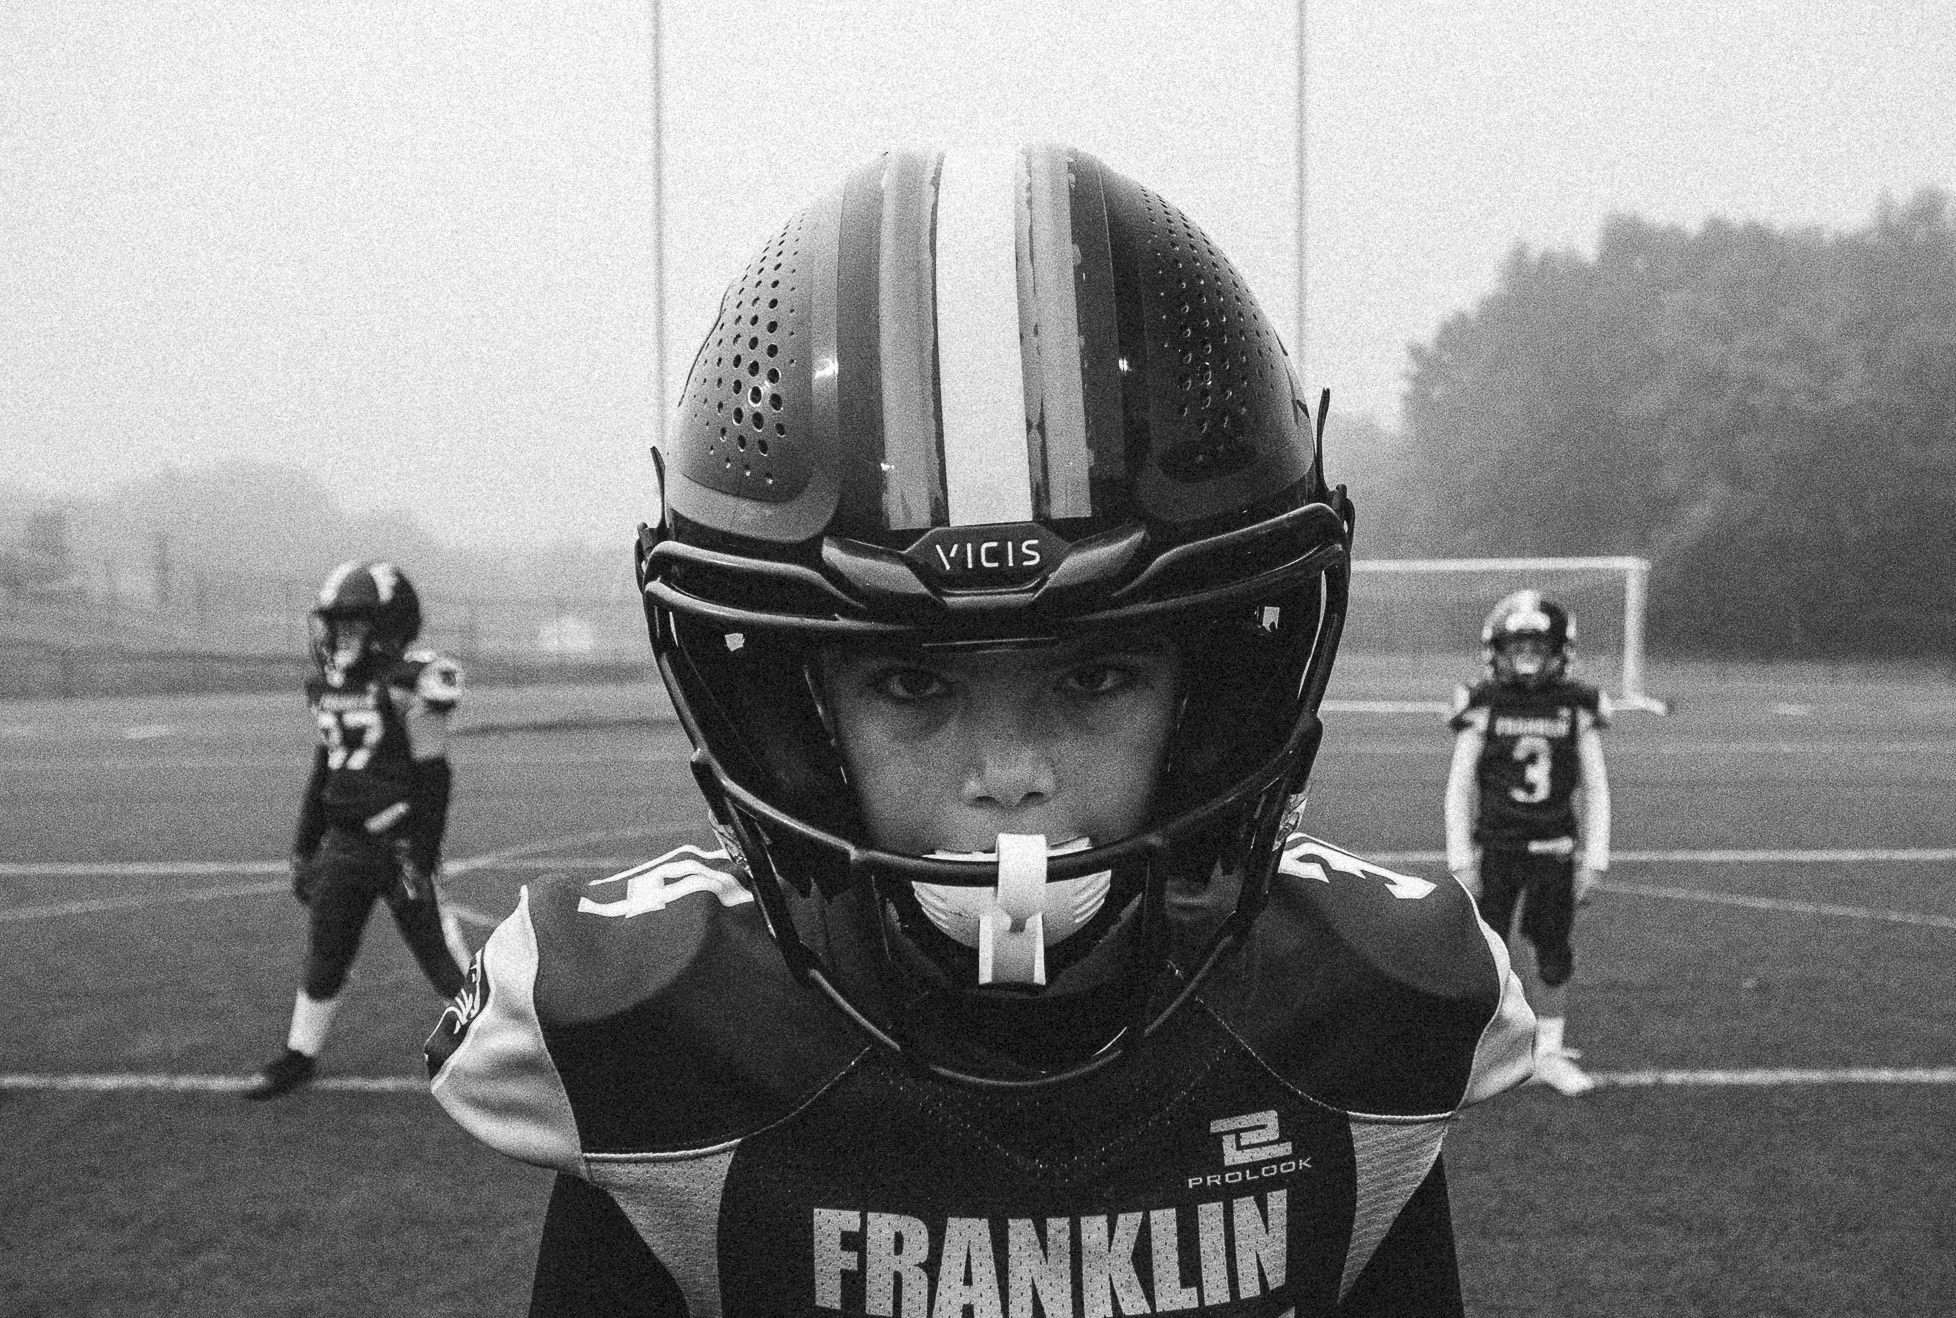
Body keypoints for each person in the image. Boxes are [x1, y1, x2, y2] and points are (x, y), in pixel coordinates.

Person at [426, 144, 1535, 1315]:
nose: (1009, 776)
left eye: (1096, 673)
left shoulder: (1368, 1009)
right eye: (913, 685)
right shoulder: (648, 1035)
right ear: (788, 713)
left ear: (1219, 690)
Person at [244, 561, 466, 1100]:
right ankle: (300, 1054)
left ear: (389, 626)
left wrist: (422, 851)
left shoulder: (416, 680)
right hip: (343, 845)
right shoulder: (334, 684)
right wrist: (303, 848)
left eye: (355, 625)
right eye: (337, 625)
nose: (341, 637)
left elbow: (434, 776)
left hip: (397, 844)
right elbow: (326, 768)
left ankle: (514, 1051)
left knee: (443, 960)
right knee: (326, 953)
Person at [1445, 590, 1611, 1098]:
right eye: (1517, 646)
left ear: (1561, 651)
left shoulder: (1575, 705)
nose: (1527, 656)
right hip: (1496, 850)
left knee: (1553, 953)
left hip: (1554, 850)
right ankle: (1486, 1052)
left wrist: (1596, 860)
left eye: (1538, 647)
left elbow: (1596, 786)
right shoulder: (1483, 704)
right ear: (1497, 650)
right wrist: (1460, 858)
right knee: (1484, 955)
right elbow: (1460, 784)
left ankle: (1549, 1052)